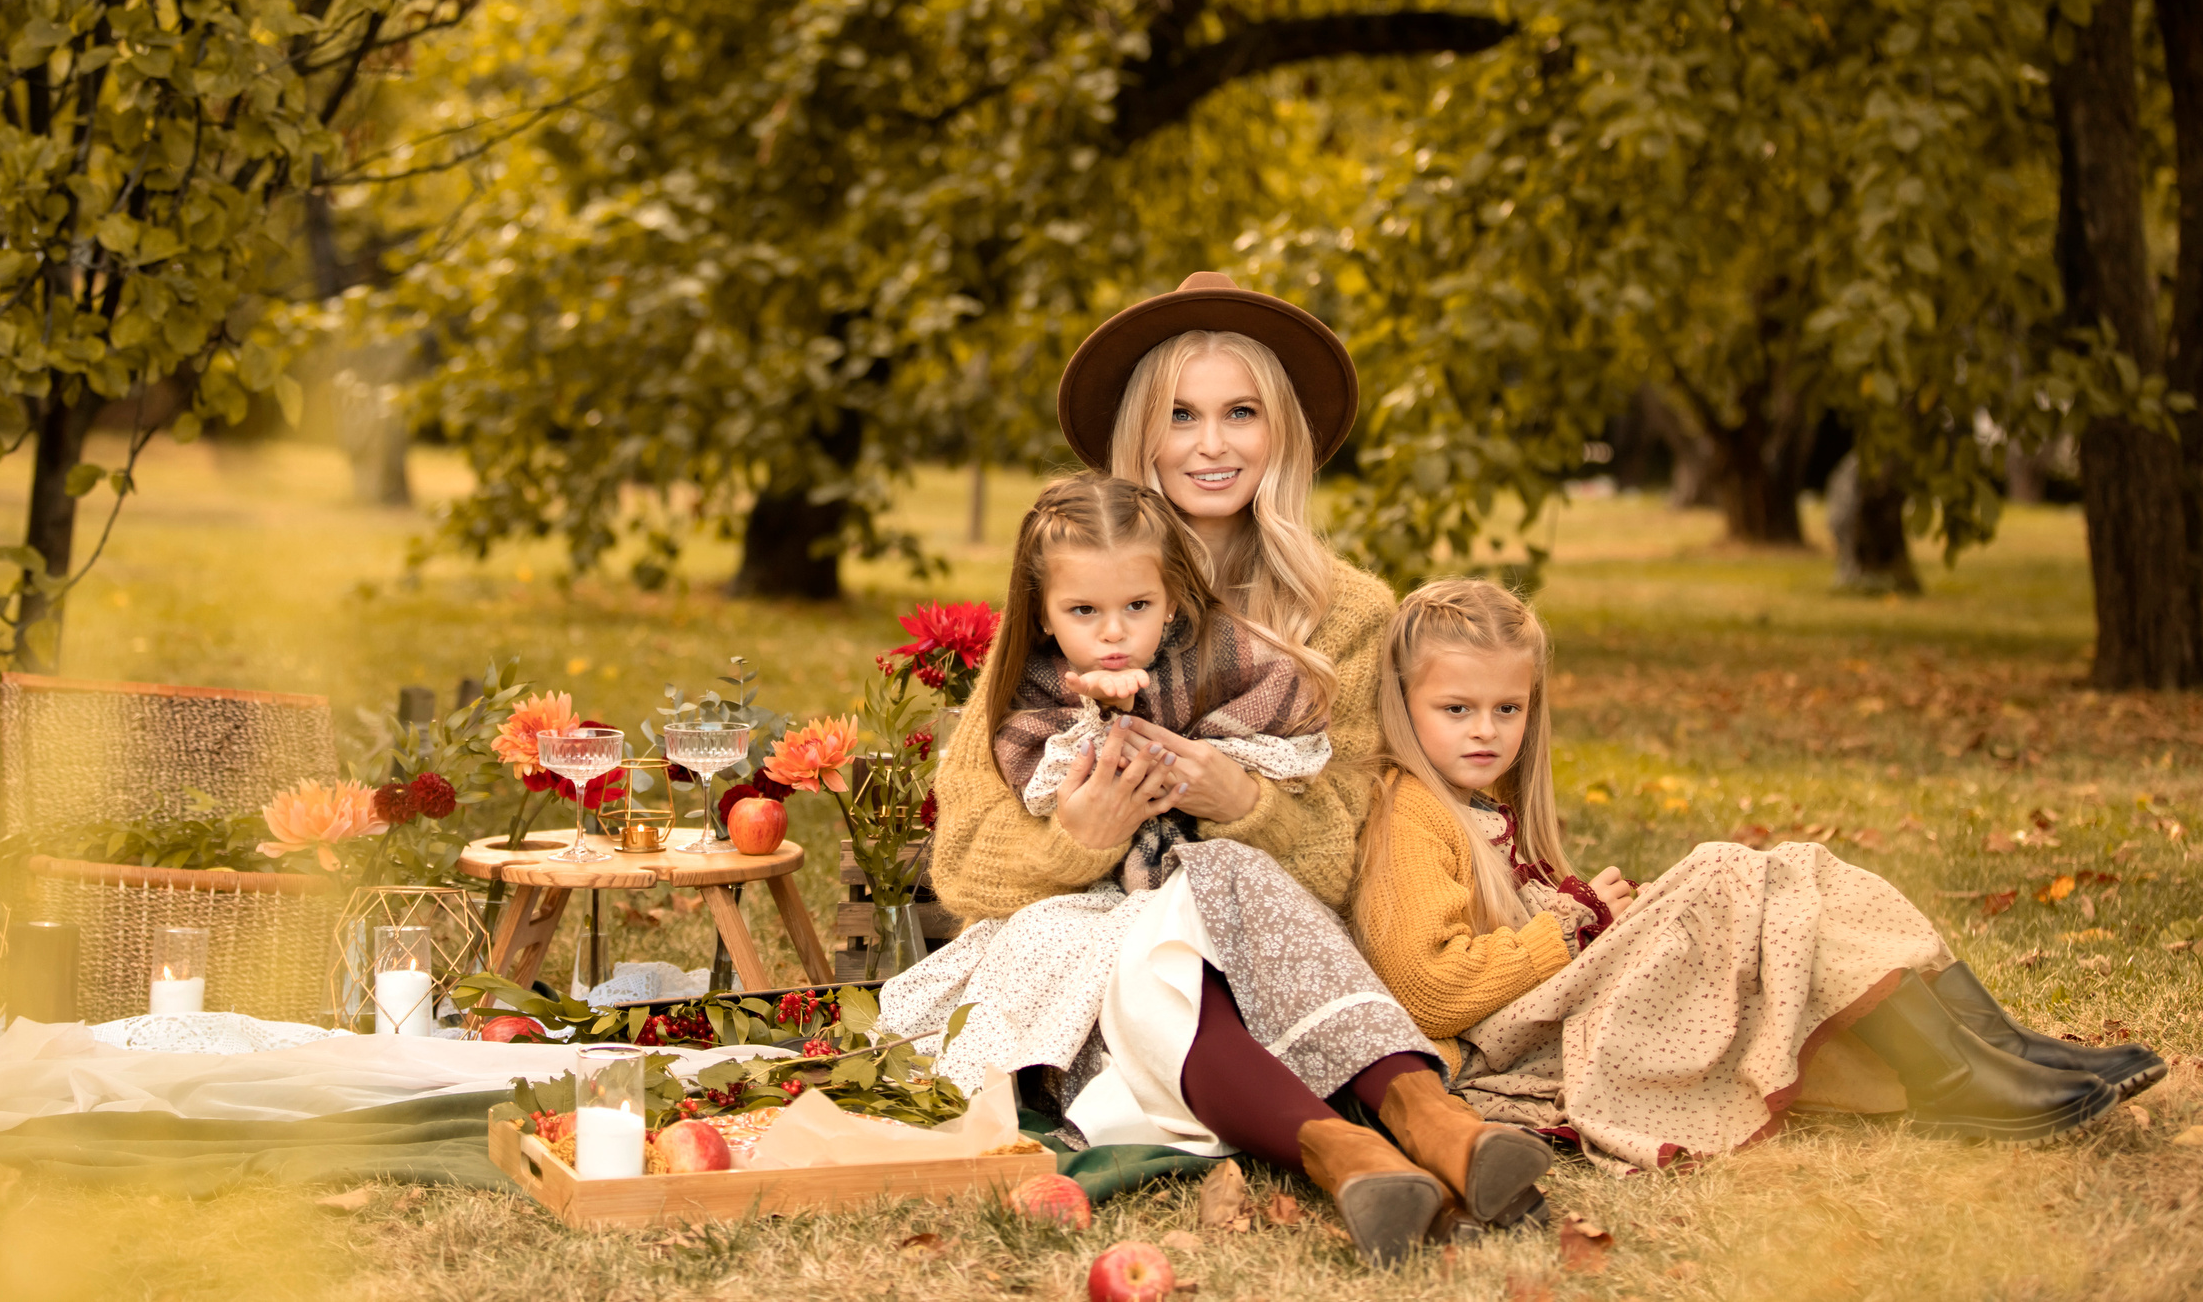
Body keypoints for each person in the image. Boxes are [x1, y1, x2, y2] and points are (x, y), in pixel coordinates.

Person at [892, 274, 1545, 1262]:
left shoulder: (1346, 614)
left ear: (1277, 433)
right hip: (1109, 956)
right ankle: (1370, 1143)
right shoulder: (1073, 604)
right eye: (1181, 415)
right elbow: (965, 862)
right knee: (1156, 944)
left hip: (1283, 954)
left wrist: (1247, 803)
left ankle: (1404, 1137)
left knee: (1224, 885)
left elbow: (1347, 864)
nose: (1211, 444)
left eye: (1239, 412)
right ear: (1141, 439)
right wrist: (1079, 840)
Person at [1354, 577, 2163, 1169]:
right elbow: (1427, 987)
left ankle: (1997, 1049)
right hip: (1501, 1043)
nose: (1487, 731)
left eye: (1508, 708)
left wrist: (1589, 918)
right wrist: (1567, 928)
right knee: (1721, 870)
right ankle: (1956, 1077)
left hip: (1544, 1000)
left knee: (1794, 870)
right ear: (1404, 703)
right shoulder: (1410, 811)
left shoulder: (1487, 798)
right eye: (1456, 708)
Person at [993, 473, 1332, 895]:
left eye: (1138, 605)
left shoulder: (1225, 650)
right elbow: (1029, 781)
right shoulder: (1032, 680)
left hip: (1221, 886)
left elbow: (1296, 714)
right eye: (1083, 610)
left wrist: (1241, 794)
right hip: (1092, 903)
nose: (1114, 631)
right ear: (1041, 613)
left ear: (1170, 601)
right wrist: (1100, 715)